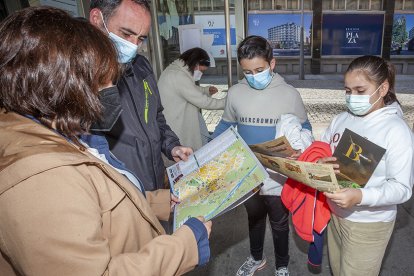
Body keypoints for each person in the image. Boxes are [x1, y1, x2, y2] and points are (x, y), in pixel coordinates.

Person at [0, 7, 212, 275]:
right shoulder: (41, 177)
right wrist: (187, 244)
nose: (111, 93)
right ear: (63, 84)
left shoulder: (57, 134)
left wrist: (158, 202)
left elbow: (102, 205)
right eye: (102, 82)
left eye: (141, 38)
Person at [213, 35, 312, 276]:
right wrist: (204, 154)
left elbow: (306, 129)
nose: (254, 76)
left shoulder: (289, 94)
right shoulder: (236, 93)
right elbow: (225, 127)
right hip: (248, 171)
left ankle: (282, 265)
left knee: (279, 223)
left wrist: (301, 149)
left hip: (278, 175)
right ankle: (257, 258)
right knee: (254, 218)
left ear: (272, 64)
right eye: (247, 72)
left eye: (259, 69)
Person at [319, 55, 414, 276]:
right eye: (348, 91)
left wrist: (360, 197)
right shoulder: (340, 119)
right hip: (335, 214)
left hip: (369, 224)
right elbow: (322, 149)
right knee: (337, 269)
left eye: (360, 91)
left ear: (382, 89)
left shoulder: (396, 131)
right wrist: (319, 161)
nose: (352, 97)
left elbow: (402, 188)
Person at [89, 0, 192, 191]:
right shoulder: (75, 75)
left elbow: (156, 117)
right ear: (97, 19)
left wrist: (171, 146)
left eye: (141, 38)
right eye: (126, 34)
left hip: (155, 183)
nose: (133, 46)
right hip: (118, 194)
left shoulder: (141, 66)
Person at [158, 47, 226, 151]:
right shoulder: (178, 75)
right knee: (184, 156)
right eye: (201, 71)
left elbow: (187, 89)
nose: (201, 74)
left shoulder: (175, 70)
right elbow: (204, 102)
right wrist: (227, 103)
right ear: (195, 63)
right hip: (177, 125)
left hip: (174, 120)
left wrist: (206, 91)